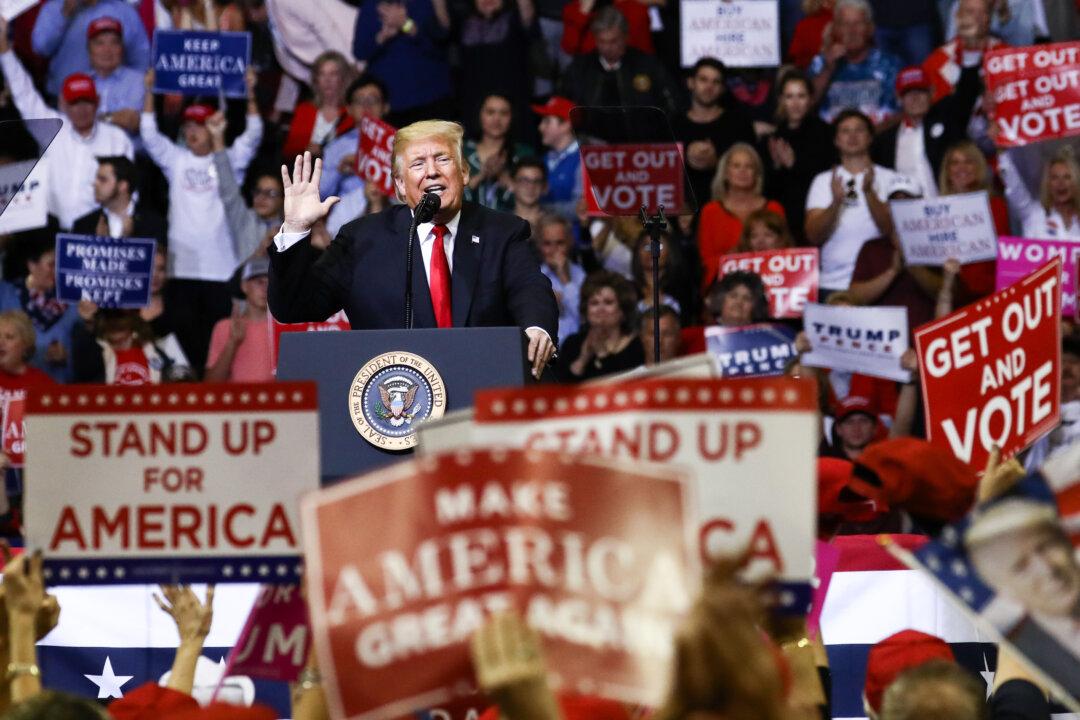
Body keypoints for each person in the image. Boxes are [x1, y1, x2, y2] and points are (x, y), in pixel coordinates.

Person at [268, 121, 558, 379]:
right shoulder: (362, 239)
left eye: (442, 159)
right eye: (418, 164)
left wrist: (536, 328)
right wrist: (295, 228)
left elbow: (529, 287)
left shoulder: (501, 232)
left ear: (464, 173)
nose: (432, 172)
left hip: (481, 394)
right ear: (400, 186)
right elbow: (293, 307)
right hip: (395, 404)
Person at [141, 69, 264, 371]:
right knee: (185, 351)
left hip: (221, 271)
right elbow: (149, 134)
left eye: (201, 124)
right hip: (181, 271)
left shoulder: (229, 160)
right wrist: (149, 91)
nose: (193, 131)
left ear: (214, 126)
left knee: (218, 346)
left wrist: (250, 95)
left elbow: (254, 133)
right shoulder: (176, 160)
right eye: (189, 125)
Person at [0, 17, 134, 231]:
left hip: (96, 232)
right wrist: (5, 50)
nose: (81, 109)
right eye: (75, 103)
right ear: (63, 104)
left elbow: (129, 192)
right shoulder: (52, 128)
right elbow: (24, 92)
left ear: (97, 102)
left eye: (87, 102)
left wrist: (117, 230)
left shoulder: (117, 139)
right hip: (50, 231)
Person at [805, 109, 908, 294]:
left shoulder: (892, 179)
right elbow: (814, 236)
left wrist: (869, 193)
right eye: (845, 131)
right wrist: (836, 203)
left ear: (870, 137)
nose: (852, 136)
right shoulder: (823, 181)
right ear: (836, 140)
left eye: (859, 130)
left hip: (880, 282)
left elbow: (891, 230)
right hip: (833, 283)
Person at [871, 65, 983, 198]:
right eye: (908, 93)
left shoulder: (949, 120)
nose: (915, 98)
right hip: (907, 210)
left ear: (932, 92)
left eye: (921, 91)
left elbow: (967, 93)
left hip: (951, 205)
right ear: (899, 98)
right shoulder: (885, 141)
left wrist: (971, 61)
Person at [669, 58, 757, 211]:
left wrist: (718, 162)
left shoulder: (738, 123)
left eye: (716, 82)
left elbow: (753, 169)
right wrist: (685, 157)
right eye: (703, 80)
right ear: (690, 83)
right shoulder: (672, 124)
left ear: (722, 88)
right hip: (682, 210)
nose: (709, 87)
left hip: (728, 209)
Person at [697, 143, 785, 292]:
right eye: (736, 166)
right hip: (724, 287)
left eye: (749, 166)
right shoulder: (710, 211)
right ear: (725, 173)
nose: (742, 171)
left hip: (770, 284)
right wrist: (734, 259)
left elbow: (785, 251)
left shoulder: (774, 208)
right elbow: (706, 262)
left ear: (757, 174)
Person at [558, 7, 679, 115]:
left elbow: (672, 104)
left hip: (639, 132)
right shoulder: (580, 68)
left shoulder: (647, 65)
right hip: (589, 132)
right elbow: (563, 105)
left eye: (613, 41)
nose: (607, 48)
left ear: (626, 37)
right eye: (602, 41)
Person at [352, 0, 454, 127]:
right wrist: (382, 37)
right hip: (388, 103)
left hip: (430, 99)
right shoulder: (372, 5)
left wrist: (406, 24)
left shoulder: (427, 4)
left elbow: (442, 48)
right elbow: (360, 52)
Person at [763, 70, 837, 244]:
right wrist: (776, 166)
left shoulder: (825, 133)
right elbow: (768, 189)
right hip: (784, 223)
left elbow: (827, 176)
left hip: (818, 217)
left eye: (801, 96)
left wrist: (794, 164)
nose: (795, 103)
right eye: (789, 97)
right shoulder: (775, 136)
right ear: (781, 100)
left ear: (810, 99)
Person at [30, 0, 149, 99]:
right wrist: (64, 14)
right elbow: (41, 48)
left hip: (116, 102)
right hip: (64, 100)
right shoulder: (54, 8)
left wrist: (134, 97)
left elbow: (141, 62)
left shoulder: (124, 11)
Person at [808, 0, 902, 123]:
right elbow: (805, 106)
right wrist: (827, 70)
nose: (852, 31)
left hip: (881, 132)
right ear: (835, 29)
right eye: (845, 24)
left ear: (870, 29)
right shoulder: (820, 63)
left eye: (858, 23)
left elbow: (903, 112)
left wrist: (873, 131)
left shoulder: (890, 64)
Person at [319, 74, 391, 236]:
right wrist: (339, 171)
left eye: (373, 100)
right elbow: (320, 195)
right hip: (347, 218)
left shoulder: (399, 143)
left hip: (390, 212)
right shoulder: (336, 147)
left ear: (385, 107)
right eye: (360, 101)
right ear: (349, 109)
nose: (366, 106)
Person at [458, 0, 537, 145]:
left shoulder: (515, 19)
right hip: (472, 104)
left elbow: (527, 15)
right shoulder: (463, 22)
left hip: (513, 103)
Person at [0, 242, 81, 383]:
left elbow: (86, 356)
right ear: (32, 265)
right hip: (9, 387)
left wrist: (67, 355)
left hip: (57, 388)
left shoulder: (74, 303)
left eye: (60, 265)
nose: (56, 271)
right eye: (51, 264)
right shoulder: (6, 294)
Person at [210, 115, 285, 264]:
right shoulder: (242, 218)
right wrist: (217, 137)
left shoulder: (291, 230)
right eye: (258, 191)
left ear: (283, 199)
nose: (261, 198)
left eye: (270, 193)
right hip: (243, 277)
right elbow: (227, 185)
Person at [556, 270, 644, 381]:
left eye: (608, 302)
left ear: (623, 310)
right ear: (586, 310)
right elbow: (562, 387)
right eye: (594, 303)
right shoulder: (572, 344)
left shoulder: (638, 347)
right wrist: (583, 359)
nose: (600, 309)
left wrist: (604, 356)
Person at [924, 0, 1006, 102]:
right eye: (970, 12)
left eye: (983, 12)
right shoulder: (936, 62)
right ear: (958, 17)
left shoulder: (1007, 56)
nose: (977, 18)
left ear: (989, 18)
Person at [464, 95, 535, 211]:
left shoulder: (523, 154)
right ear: (479, 115)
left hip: (511, 221)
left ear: (512, 118)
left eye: (504, 113)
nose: (497, 119)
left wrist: (502, 176)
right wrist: (482, 175)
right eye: (490, 112)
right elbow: (451, 197)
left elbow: (533, 198)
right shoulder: (462, 151)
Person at [72, 155, 166, 244]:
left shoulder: (154, 224)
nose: (95, 184)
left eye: (103, 180)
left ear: (122, 186)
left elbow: (157, 255)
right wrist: (99, 243)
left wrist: (128, 240)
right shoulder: (83, 225)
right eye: (97, 179)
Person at [206, 259, 273, 382]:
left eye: (271, 283)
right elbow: (212, 384)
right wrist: (232, 342)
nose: (265, 289)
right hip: (238, 395)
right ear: (244, 286)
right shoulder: (225, 327)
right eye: (259, 282)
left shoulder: (283, 328)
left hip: (277, 394)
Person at [71, 307, 176, 385]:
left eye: (121, 316)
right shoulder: (95, 354)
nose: (115, 321)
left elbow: (168, 382)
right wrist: (88, 324)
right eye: (110, 317)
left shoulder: (151, 352)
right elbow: (83, 376)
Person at [281, 51, 355, 161]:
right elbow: (288, 152)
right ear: (316, 80)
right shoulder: (304, 110)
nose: (327, 80)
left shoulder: (352, 114)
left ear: (343, 79)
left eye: (333, 74)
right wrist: (306, 151)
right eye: (322, 74)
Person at [1000, 146, 1080, 240]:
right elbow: (1014, 188)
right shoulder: (1032, 214)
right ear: (1047, 183)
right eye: (1054, 178)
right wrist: (1002, 151)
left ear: (1076, 182)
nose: (1060, 183)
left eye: (1067, 177)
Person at [83, 16, 145, 135]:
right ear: (89, 50)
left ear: (122, 49)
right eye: (99, 43)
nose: (107, 50)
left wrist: (91, 119)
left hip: (127, 146)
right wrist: (114, 117)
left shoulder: (138, 80)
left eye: (114, 43)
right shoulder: (79, 82)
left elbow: (132, 121)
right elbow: (69, 124)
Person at [534, 214, 586, 343]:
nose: (553, 250)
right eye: (547, 244)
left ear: (570, 242)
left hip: (576, 346)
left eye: (560, 243)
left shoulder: (581, 275)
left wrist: (564, 277)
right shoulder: (533, 277)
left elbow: (584, 318)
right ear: (539, 245)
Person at [532, 96, 581, 222]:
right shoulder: (544, 160)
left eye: (547, 121)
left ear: (566, 125)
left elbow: (581, 209)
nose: (540, 127)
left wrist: (538, 209)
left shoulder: (583, 160)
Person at [561, 0, 652, 56]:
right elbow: (569, 48)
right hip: (590, 72)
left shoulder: (634, 8)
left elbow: (642, 51)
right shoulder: (574, 10)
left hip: (628, 70)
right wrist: (583, 13)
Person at [823, 395, 882, 460]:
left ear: (875, 428)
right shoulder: (822, 462)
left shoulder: (885, 462)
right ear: (838, 429)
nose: (856, 428)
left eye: (863, 421)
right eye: (849, 422)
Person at [510, 158, 549, 229]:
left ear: (544, 186)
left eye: (537, 181)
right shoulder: (502, 223)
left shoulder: (557, 220)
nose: (531, 187)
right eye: (524, 181)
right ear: (512, 184)